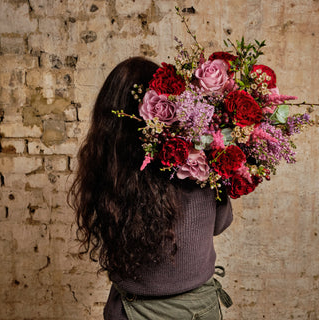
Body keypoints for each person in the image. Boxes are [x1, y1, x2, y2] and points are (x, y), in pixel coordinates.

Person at [68, 57, 233, 320]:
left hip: (132, 311)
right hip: (196, 309)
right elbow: (221, 223)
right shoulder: (199, 164)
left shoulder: (107, 170)